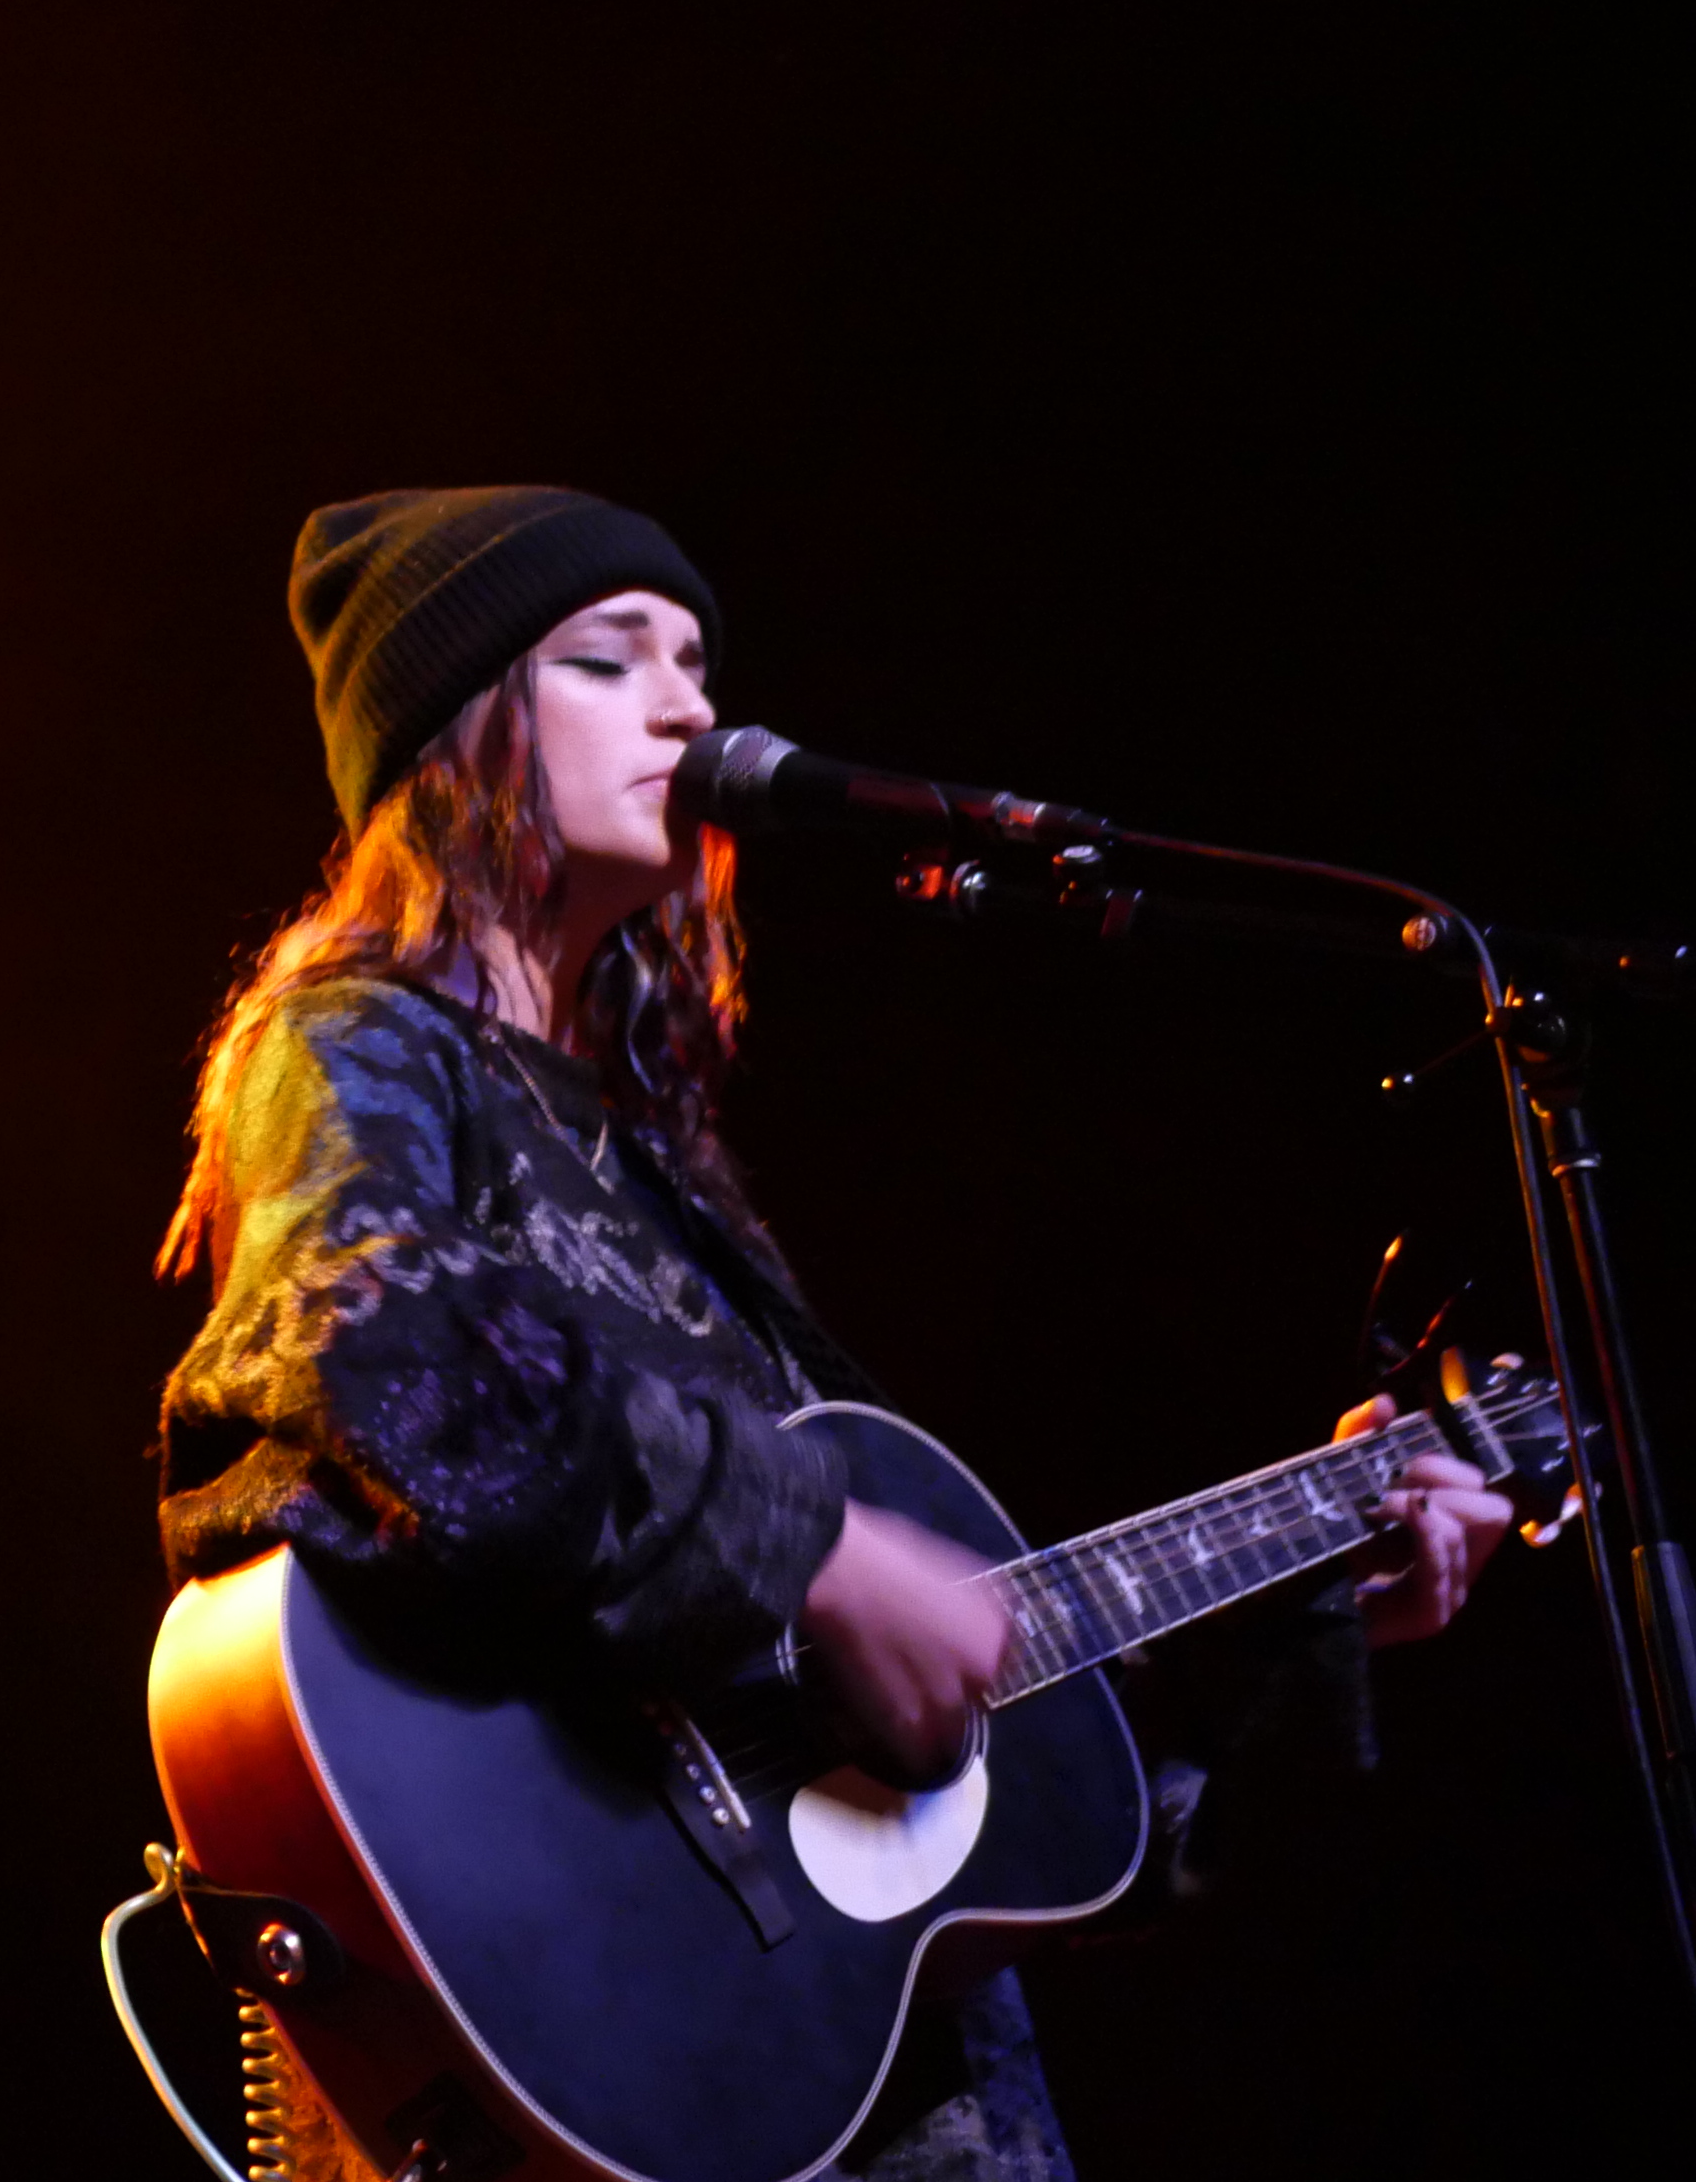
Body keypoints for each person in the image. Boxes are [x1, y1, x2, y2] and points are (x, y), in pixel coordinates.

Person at [153, 486, 1514, 2180]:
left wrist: (1315, 1605)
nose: (687, 707)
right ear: (452, 732)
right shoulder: (356, 1046)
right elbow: (372, 1356)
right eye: (609, 660)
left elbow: (1016, 1834)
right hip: (594, 2032)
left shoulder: (668, 1167)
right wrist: (813, 1550)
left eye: (697, 664)